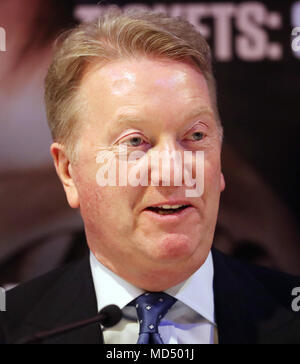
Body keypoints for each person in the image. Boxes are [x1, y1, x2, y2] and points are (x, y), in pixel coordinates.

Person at [0, 7, 299, 345]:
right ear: (69, 173)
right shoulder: (14, 330)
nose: (173, 171)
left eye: (196, 136)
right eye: (135, 141)